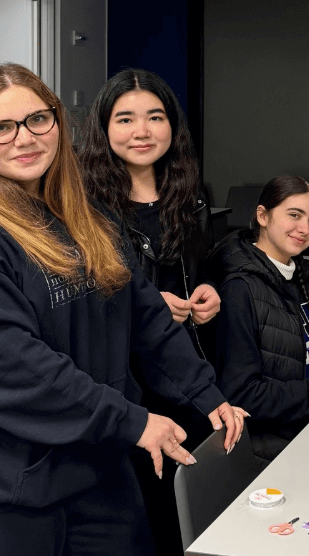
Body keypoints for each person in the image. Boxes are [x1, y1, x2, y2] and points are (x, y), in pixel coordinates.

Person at [0, 63, 244, 555]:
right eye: (2, 127)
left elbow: (147, 320)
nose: (24, 139)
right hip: (25, 488)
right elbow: (17, 361)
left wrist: (206, 395)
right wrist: (132, 420)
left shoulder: (91, 218)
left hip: (107, 466)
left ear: (58, 122)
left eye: (37, 120)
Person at [78, 68, 221, 554]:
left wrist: (209, 291)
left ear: (172, 126)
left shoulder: (193, 198)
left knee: (194, 517)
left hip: (189, 375)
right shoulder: (84, 207)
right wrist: (141, 303)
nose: (142, 131)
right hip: (125, 388)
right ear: (104, 128)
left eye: (155, 117)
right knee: (146, 522)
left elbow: (205, 267)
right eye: (125, 119)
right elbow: (76, 300)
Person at [209, 175, 309, 462]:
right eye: (294, 215)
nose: (304, 229)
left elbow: (294, 361)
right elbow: (243, 395)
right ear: (263, 216)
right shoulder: (239, 288)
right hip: (270, 450)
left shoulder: (300, 275)